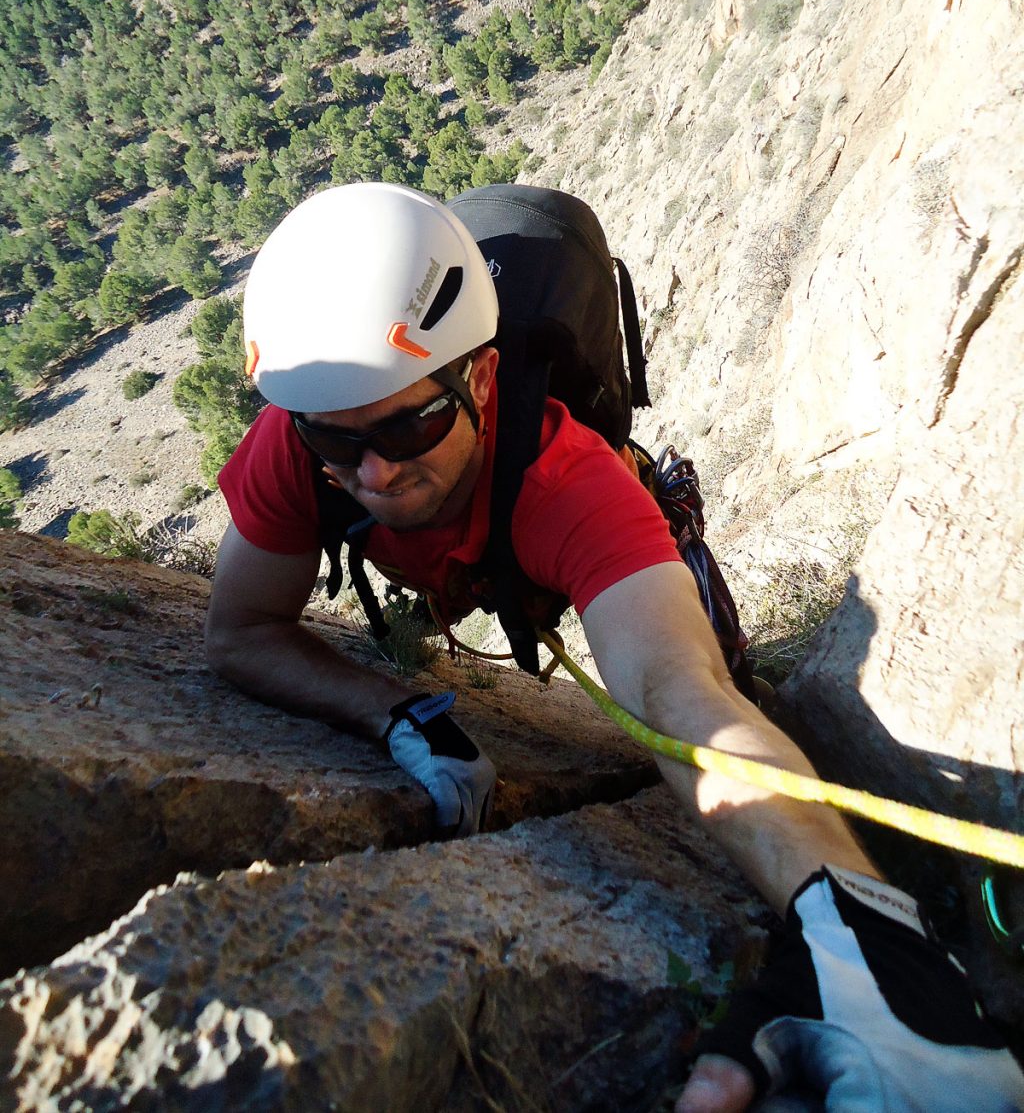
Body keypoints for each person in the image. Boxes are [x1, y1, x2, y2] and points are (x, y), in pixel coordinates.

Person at [206, 183, 1024, 1113]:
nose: (376, 471)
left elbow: (683, 698)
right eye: (338, 442)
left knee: (721, 672)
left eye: (410, 425)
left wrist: (863, 935)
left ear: (476, 377)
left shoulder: (570, 481)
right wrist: (396, 711)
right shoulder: (296, 443)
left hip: (586, 539)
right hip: (482, 563)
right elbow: (239, 632)